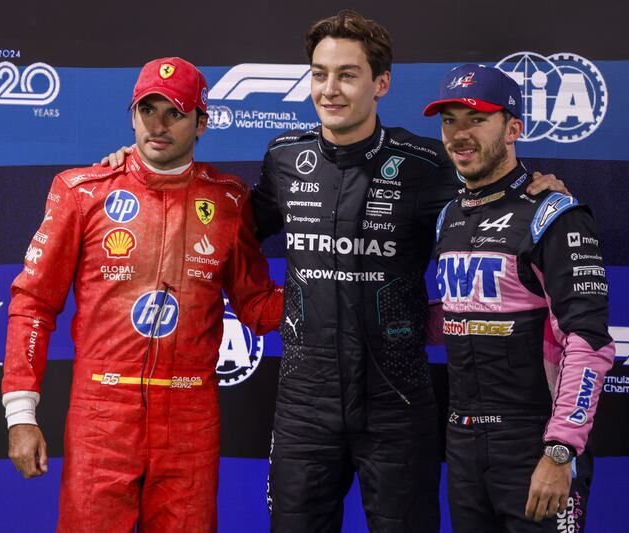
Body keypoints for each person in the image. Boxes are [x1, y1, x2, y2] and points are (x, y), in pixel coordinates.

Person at [102, 13, 565, 532]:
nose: (329, 89)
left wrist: (536, 191)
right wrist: (137, 173)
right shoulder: (285, 157)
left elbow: (491, 200)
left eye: (347, 75)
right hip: (304, 406)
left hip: (397, 403)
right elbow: (227, 224)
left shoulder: (425, 163)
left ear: (381, 83)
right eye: (319, 74)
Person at [2, 56, 283, 532]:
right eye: (147, 110)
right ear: (131, 114)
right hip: (101, 416)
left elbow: (257, 305)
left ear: (201, 123)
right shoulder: (82, 192)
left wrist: (327, 289)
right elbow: (33, 304)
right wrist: (20, 414)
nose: (158, 124)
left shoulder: (228, 201)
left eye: (175, 112)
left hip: (190, 421)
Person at [425, 64, 615, 532]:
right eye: (449, 120)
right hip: (463, 443)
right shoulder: (449, 216)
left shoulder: (554, 214)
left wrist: (560, 450)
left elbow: (588, 340)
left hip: (534, 442)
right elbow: (464, 316)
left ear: (513, 129)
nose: (459, 134)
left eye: (476, 119)